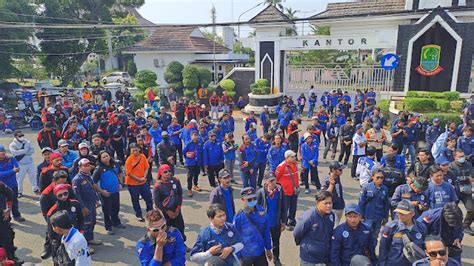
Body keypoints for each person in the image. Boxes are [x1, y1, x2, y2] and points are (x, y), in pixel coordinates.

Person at [378, 200, 427, 266]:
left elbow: (425, 248)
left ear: (412, 213)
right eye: (398, 213)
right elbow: (383, 248)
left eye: (403, 214)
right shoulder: (391, 227)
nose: (400, 215)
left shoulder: (421, 228)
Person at [233, 187, 273, 266]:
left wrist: (268, 249)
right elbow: (235, 238)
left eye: (254, 198)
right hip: (246, 255)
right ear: (243, 200)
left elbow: (266, 232)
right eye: (249, 199)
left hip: (260, 252)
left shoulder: (262, 212)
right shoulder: (239, 217)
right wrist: (237, 257)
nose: (252, 201)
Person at [294, 190, 334, 265]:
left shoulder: (331, 215)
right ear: (317, 202)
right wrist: (306, 246)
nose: (329, 206)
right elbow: (297, 233)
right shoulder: (308, 217)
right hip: (310, 259)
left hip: (325, 257)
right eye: (325, 203)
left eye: (330, 203)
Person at [47, 184, 85, 264]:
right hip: (60, 242)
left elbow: (81, 219)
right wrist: (57, 243)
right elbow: (50, 231)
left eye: (65, 194)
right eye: (60, 195)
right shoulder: (52, 211)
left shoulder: (75, 204)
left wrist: (81, 231)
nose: (63, 197)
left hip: (74, 238)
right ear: (56, 196)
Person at [92, 151, 125, 235]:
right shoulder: (99, 169)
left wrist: (121, 183)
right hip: (105, 193)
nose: (106, 157)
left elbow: (120, 173)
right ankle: (108, 227)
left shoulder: (115, 164)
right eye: (103, 157)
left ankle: (116, 222)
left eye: (107, 156)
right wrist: (102, 191)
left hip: (115, 191)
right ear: (100, 159)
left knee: (116, 207)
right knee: (107, 210)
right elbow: (94, 183)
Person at [256, 172, 286, 266]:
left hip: (275, 223)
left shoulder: (280, 191)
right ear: (266, 182)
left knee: (276, 242)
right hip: (264, 224)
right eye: (271, 180)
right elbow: (257, 208)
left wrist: (284, 221)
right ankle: (262, 258)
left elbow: (284, 207)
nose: (273, 182)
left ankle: (276, 258)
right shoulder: (261, 192)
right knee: (262, 241)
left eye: (274, 180)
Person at [72, 158, 101, 247]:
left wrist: (96, 200)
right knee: (86, 225)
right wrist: (82, 207)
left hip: (91, 204)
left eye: (88, 165)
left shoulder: (88, 176)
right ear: (80, 167)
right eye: (85, 166)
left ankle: (90, 239)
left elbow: (92, 188)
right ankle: (85, 245)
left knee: (92, 222)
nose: (88, 167)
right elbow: (77, 195)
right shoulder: (77, 179)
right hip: (85, 206)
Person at [153, 164, 185, 242]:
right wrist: (167, 212)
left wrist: (178, 208)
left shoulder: (176, 181)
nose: (168, 173)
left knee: (180, 227)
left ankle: (182, 244)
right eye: (165, 172)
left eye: (169, 171)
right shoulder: (158, 186)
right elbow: (157, 202)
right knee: (167, 230)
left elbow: (180, 194)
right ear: (161, 173)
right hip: (165, 212)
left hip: (176, 210)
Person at [359, 167, 390, 246]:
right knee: (365, 235)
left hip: (378, 217)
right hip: (367, 217)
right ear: (372, 177)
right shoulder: (366, 187)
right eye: (378, 177)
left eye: (382, 178)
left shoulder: (385, 189)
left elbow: (386, 204)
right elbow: (361, 203)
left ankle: (372, 253)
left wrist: (386, 217)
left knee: (375, 236)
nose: (380, 179)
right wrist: (360, 216)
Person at [125, 143, 153, 222]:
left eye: (136, 150)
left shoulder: (143, 156)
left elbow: (147, 167)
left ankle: (150, 213)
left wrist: (144, 177)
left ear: (139, 149)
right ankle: (139, 214)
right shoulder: (129, 160)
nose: (135, 152)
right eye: (133, 150)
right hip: (132, 184)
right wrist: (139, 179)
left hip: (143, 182)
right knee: (135, 199)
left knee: (148, 198)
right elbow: (129, 173)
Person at [449, 149, 474, 235]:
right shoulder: (451, 166)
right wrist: (466, 178)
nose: (462, 158)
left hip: (466, 190)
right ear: (455, 157)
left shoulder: (468, 164)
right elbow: (453, 178)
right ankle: (453, 227)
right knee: (452, 210)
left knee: (472, 209)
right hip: (455, 191)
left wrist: (468, 178)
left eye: (463, 156)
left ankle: (466, 226)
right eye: (460, 156)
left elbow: (472, 175)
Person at [275, 150, 299, 230]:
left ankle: (291, 221)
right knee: (285, 208)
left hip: (294, 190)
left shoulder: (294, 164)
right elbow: (276, 178)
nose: (294, 158)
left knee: (293, 207)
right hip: (285, 192)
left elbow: (296, 176)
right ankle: (284, 222)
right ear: (287, 157)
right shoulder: (281, 166)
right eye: (292, 157)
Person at [0, 181, 23, 265]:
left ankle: (11, 258)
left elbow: (10, 193)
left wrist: (8, 208)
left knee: (8, 238)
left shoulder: (1, 185)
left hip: (2, 218)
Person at [0, 145, 24, 222]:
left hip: (13, 185)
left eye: (3, 154)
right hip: (2, 187)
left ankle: (16, 215)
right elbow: (1, 174)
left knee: (14, 201)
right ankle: (7, 219)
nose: (2, 156)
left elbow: (17, 168)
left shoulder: (11, 159)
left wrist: (10, 172)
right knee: (3, 203)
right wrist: (12, 171)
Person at [9, 130, 37, 196]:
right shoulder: (12, 145)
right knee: (19, 179)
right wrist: (26, 150)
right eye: (20, 136)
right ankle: (19, 191)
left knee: (33, 176)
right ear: (16, 136)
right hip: (20, 164)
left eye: (22, 135)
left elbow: (32, 150)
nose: (22, 137)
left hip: (30, 162)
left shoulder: (27, 141)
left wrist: (22, 151)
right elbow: (15, 153)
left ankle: (35, 188)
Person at [322, 161, 346, 225]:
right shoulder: (327, 181)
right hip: (332, 209)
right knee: (334, 227)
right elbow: (325, 195)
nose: (341, 171)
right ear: (333, 170)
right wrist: (331, 185)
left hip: (340, 206)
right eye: (340, 170)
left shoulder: (337, 177)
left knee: (336, 224)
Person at [183, 131, 202, 197]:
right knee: (190, 176)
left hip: (197, 162)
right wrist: (187, 156)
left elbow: (201, 152)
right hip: (190, 162)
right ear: (191, 136)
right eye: (194, 135)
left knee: (197, 174)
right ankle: (189, 189)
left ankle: (195, 185)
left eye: (196, 135)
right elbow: (184, 152)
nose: (195, 136)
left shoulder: (199, 143)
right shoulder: (188, 143)